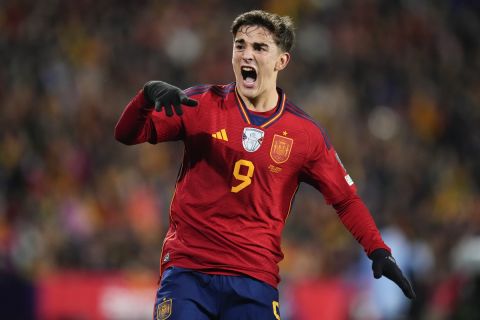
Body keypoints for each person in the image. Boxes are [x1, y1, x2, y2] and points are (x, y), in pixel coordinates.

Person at [114, 9, 415, 320]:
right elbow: (127, 134)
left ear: (281, 61)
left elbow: (345, 198)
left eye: (259, 48)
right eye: (240, 45)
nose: (247, 54)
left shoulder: (305, 134)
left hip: (254, 281)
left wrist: (378, 250)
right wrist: (145, 98)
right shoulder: (200, 104)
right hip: (188, 273)